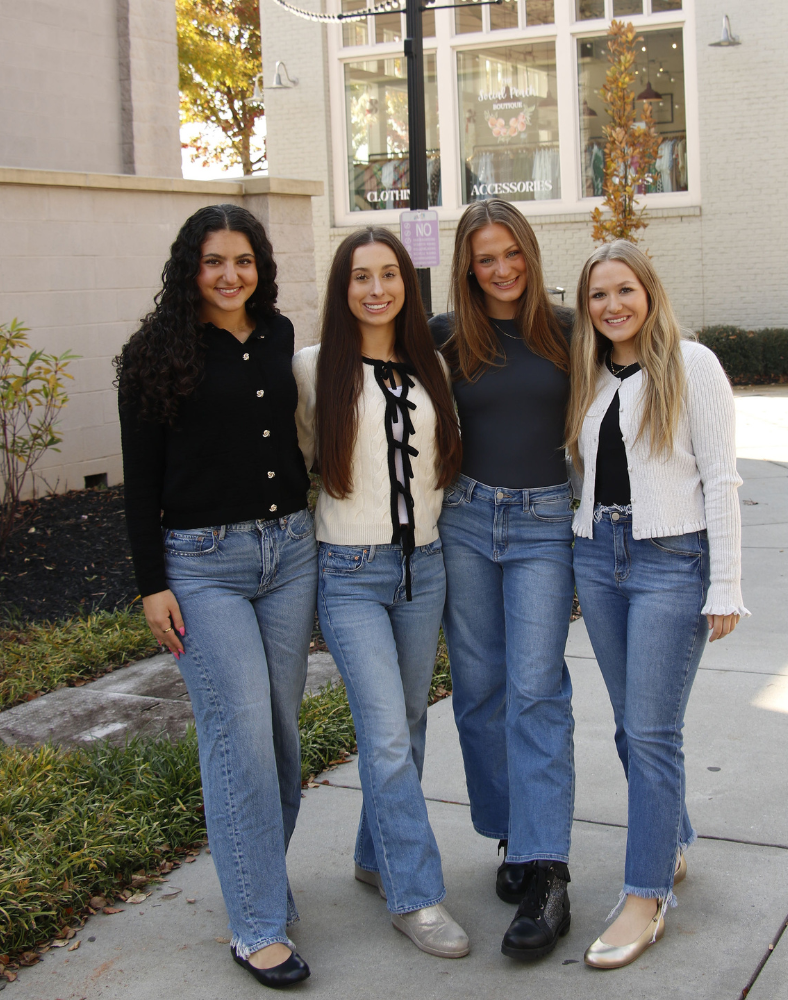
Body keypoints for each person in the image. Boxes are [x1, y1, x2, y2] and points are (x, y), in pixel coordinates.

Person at [116, 204, 316, 988]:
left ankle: (259, 874)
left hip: (290, 555)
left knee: (280, 737)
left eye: (242, 259)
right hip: (202, 567)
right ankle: (257, 923)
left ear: (260, 264)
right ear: (188, 269)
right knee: (238, 740)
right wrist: (150, 585)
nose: (229, 275)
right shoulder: (154, 354)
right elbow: (140, 484)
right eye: (212, 262)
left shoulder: (278, 335)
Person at [565, 240, 748, 970]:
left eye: (624, 290)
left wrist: (726, 582)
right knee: (631, 727)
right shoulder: (589, 373)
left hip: (671, 559)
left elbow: (722, 479)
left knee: (650, 732)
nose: (612, 306)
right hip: (597, 558)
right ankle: (669, 838)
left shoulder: (692, 365)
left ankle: (645, 895)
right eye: (598, 296)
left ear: (649, 292)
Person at [292, 228, 468, 959]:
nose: (375, 289)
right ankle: (416, 895)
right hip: (349, 571)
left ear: (406, 282)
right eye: (360, 276)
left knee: (410, 725)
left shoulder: (432, 366)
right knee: (387, 735)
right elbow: (296, 463)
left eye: (388, 274)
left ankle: (375, 857)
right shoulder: (311, 368)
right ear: (342, 288)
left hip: (422, 568)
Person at [430, 199, 576, 961]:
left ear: (529, 252)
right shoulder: (447, 336)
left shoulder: (568, 330)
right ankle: (514, 836)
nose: (502, 270)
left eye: (511, 253)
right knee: (481, 689)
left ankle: (550, 871)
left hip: (544, 521)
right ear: (467, 266)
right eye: (485, 259)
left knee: (536, 687)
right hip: (466, 519)